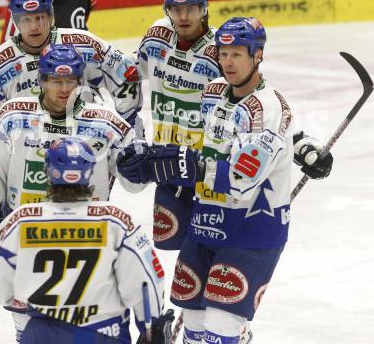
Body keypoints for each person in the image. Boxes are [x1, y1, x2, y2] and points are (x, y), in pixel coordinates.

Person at [118, 17, 313, 343]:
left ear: (258, 55)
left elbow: (240, 179)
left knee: (220, 330)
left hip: (251, 233)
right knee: (193, 326)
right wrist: (152, 161)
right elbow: (193, 147)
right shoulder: (212, 93)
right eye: (223, 54)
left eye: (237, 54)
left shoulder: (268, 108)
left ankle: (238, 333)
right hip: (205, 222)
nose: (227, 62)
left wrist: (181, 166)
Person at [136, 0, 332, 251]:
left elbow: (259, 105)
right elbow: (133, 74)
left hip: (213, 169)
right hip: (169, 164)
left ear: (205, 8)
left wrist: (300, 143)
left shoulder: (222, 50)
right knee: (173, 252)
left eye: (191, 8)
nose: (183, 17)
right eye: (176, 9)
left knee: (211, 252)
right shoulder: (157, 37)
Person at [0, 43, 145, 343]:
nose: (64, 88)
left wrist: (138, 164)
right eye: (56, 81)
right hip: (29, 239)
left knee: (79, 322)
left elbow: (135, 183)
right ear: (42, 80)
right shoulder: (12, 116)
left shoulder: (105, 123)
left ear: (80, 81)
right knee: (27, 325)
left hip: (87, 241)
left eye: (70, 81)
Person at [0, 0, 141, 214]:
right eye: (26, 19)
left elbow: (126, 73)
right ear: (15, 21)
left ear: (51, 16)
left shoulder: (82, 44)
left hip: (82, 148)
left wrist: (127, 127)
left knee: (87, 215)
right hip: (28, 146)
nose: (34, 26)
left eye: (40, 17)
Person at [0, 137, 174, 344]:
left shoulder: (23, 219)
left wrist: (11, 295)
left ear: (49, 171)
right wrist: (150, 329)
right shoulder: (116, 221)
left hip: (41, 334)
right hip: (103, 333)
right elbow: (146, 280)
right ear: (89, 172)